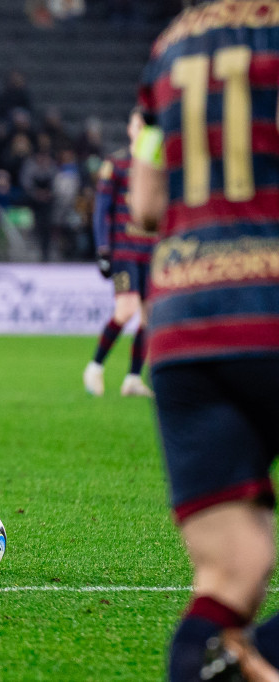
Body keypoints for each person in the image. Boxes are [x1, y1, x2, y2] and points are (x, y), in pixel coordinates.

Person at [130, 2, 279, 679]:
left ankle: (226, 658)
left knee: (230, 574)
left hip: (187, 323)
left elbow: (146, 205)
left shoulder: (169, 48)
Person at [82, 109, 156, 398]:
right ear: (130, 129)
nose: (142, 130)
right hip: (124, 250)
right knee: (125, 310)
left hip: (151, 251)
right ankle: (95, 366)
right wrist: (103, 248)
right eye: (138, 125)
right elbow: (101, 210)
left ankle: (133, 378)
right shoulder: (115, 163)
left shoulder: (157, 165)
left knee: (151, 318)